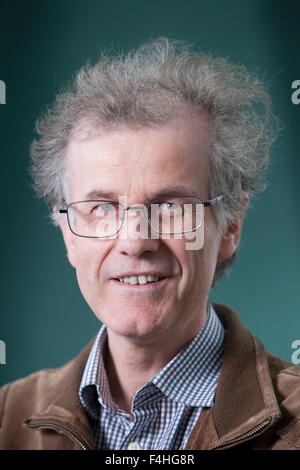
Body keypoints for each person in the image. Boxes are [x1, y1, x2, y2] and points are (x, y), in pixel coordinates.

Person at [0, 38, 299, 451]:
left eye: (170, 205)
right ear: (68, 234)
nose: (135, 241)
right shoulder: (6, 417)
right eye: (102, 207)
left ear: (230, 226)